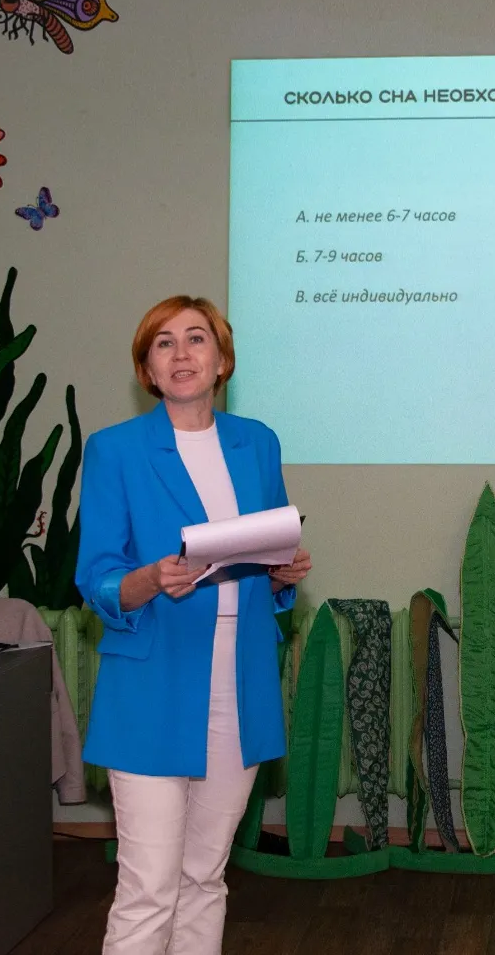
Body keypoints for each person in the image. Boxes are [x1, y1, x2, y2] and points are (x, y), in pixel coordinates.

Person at [75, 295, 311, 954]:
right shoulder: (115, 450)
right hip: (152, 688)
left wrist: (281, 576)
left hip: (240, 686)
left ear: (222, 360)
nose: (182, 354)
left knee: (205, 877)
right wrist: (151, 579)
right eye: (164, 343)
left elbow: (263, 555)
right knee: (149, 888)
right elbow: (96, 577)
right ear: (147, 370)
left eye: (197, 339)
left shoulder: (257, 443)